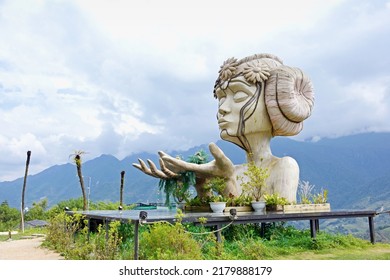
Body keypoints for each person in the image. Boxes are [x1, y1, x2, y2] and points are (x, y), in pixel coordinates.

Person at [133, 53, 314, 202]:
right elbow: (222, 215)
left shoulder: (284, 167)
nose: (223, 108)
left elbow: (276, 222)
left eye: (239, 95)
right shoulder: (234, 170)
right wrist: (200, 181)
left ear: (271, 101)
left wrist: (226, 179)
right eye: (221, 98)